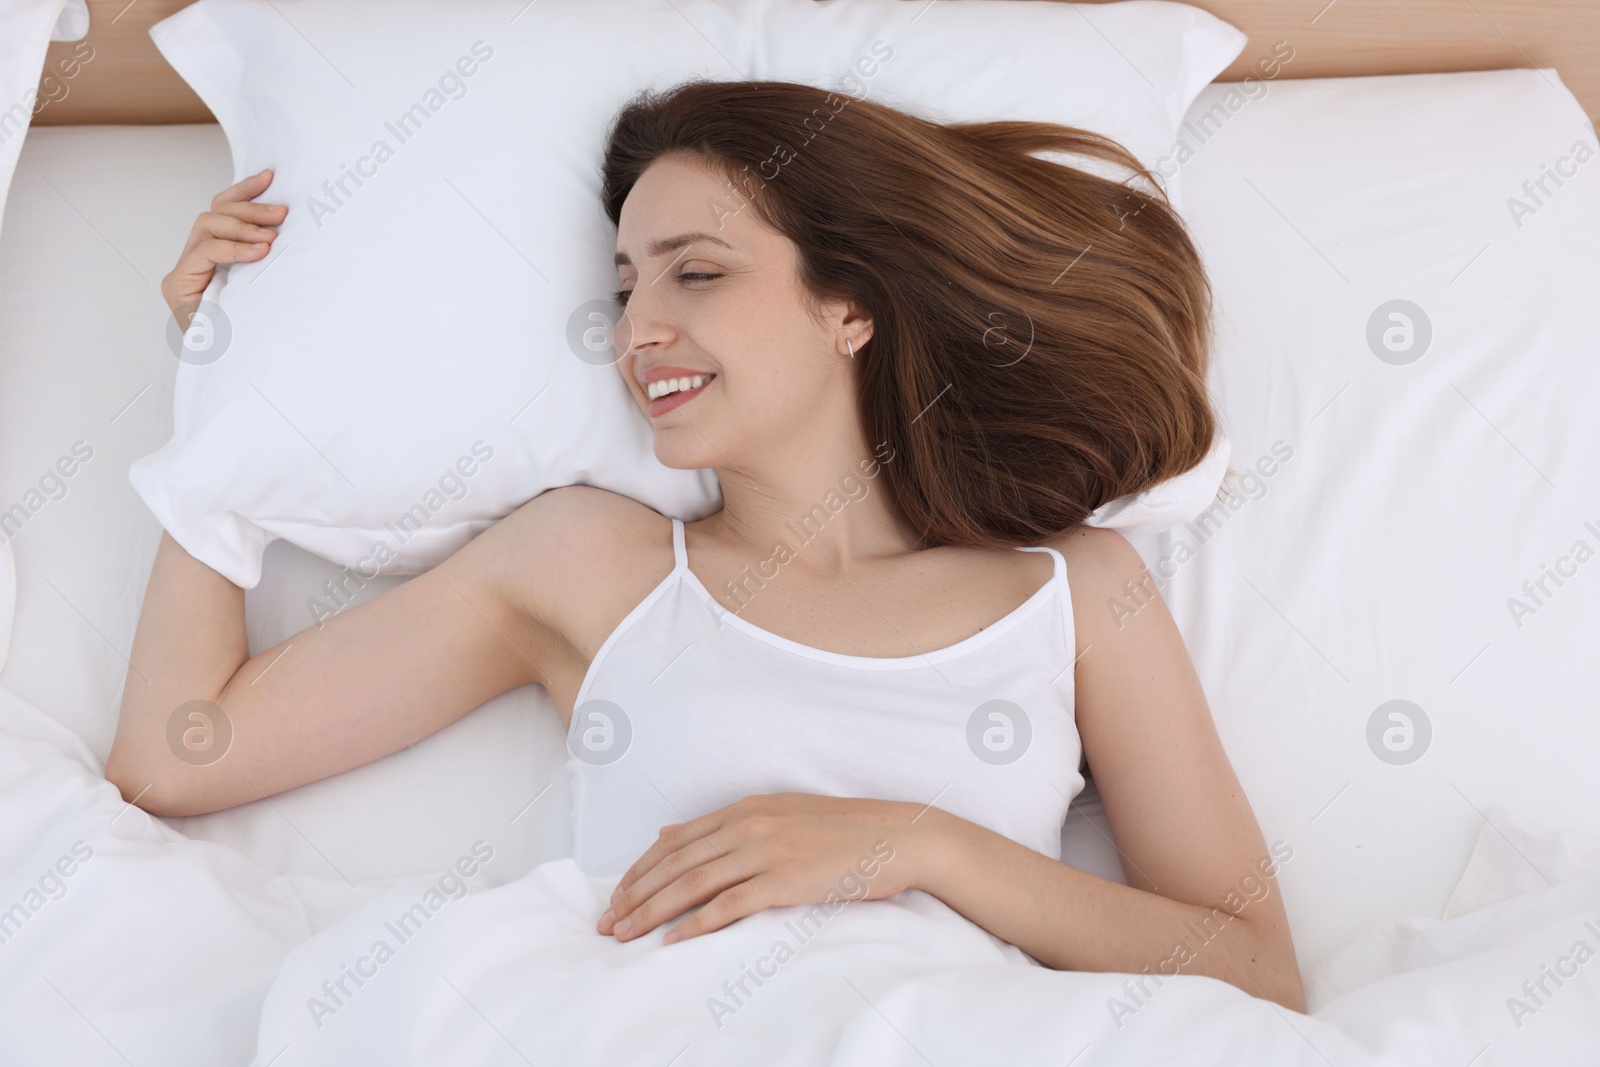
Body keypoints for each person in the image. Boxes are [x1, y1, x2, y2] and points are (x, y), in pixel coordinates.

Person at [105, 78, 1304, 1013]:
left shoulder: (1075, 588)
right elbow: (174, 755)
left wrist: (913, 845)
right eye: (625, 286)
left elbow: (1251, 970)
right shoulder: (589, 563)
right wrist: (228, 395)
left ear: (850, 307)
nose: (639, 329)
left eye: (696, 272)